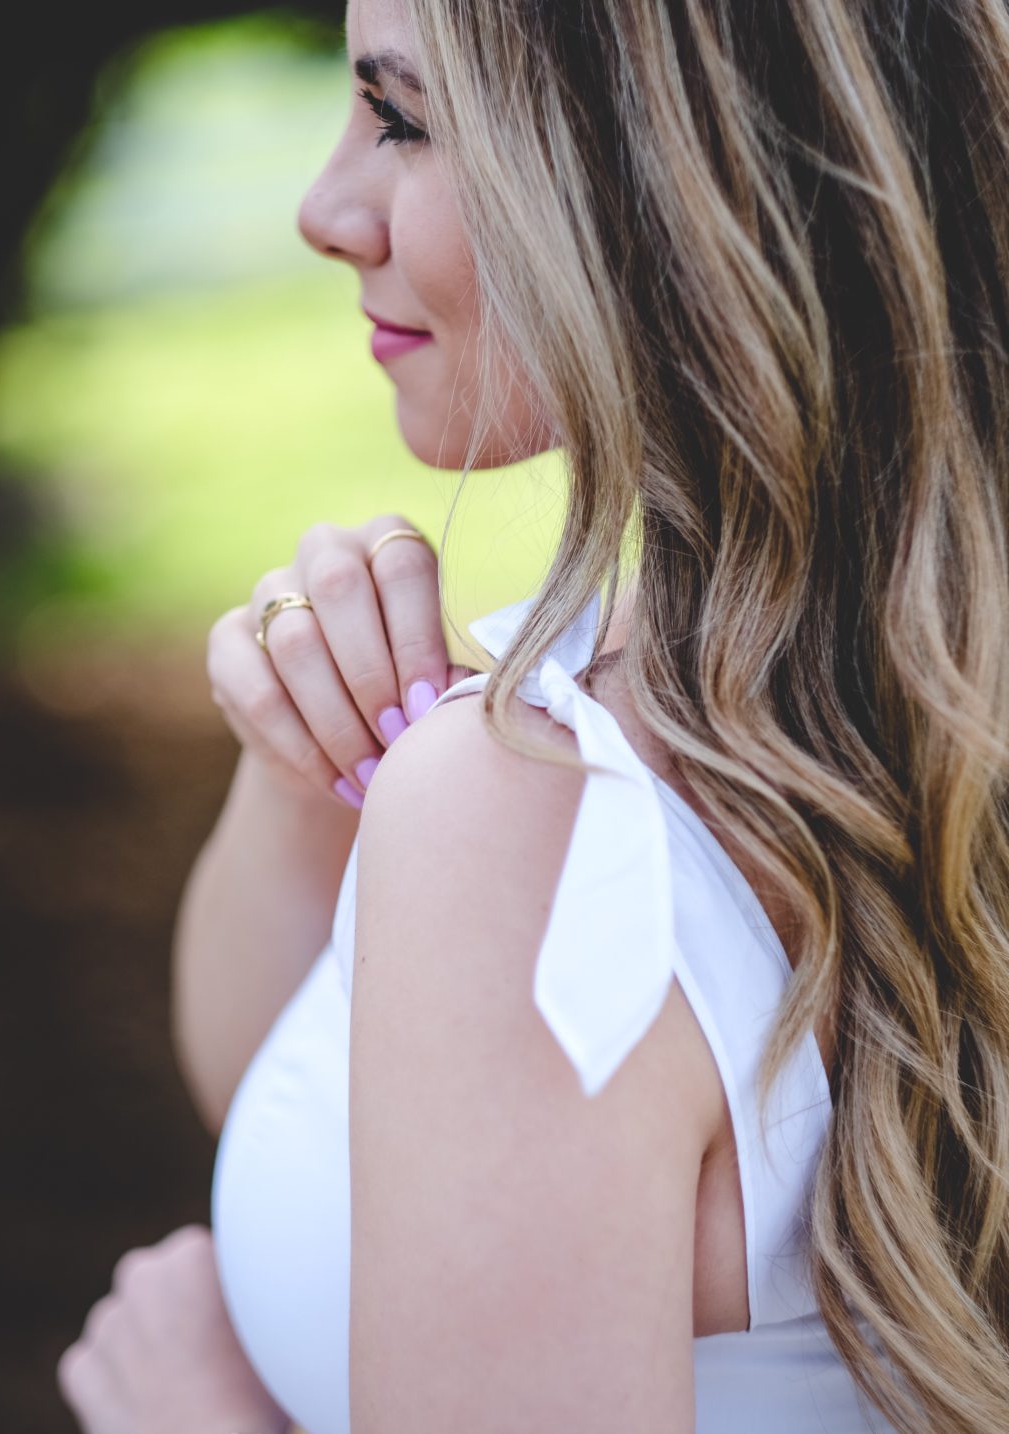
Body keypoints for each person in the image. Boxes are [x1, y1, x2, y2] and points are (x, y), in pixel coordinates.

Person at [56, 0, 1009, 1430]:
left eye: (404, 118)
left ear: (667, 174)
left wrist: (201, 1414)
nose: (326, 209)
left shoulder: (540, 818)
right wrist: (300, 761)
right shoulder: (849, 702)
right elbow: (283, 1069)